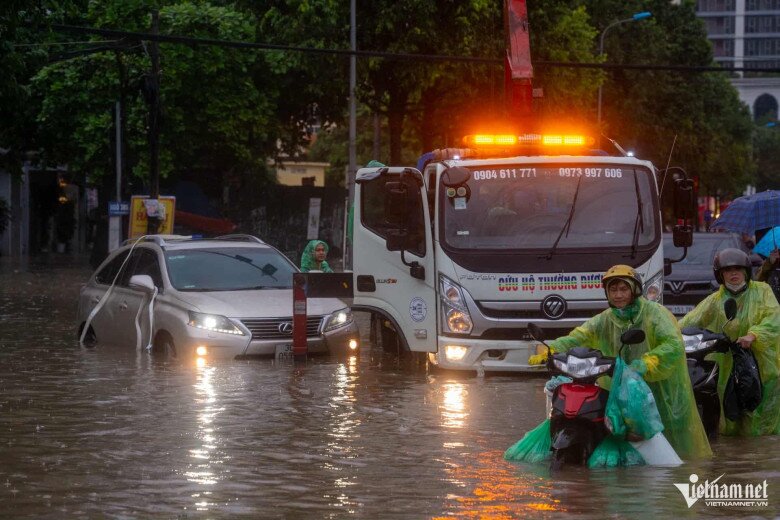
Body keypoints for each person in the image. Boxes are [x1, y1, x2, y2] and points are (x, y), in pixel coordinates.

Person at [529, 264, 712, 459]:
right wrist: (552, 350)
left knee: (668, 439)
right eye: (613, 290)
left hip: (659, 386)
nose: (618, 295)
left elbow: (673, 344)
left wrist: (647, 363)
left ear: (634, 290)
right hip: (620, 385)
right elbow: (580, 336)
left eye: (623, 289)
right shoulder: (605, 319)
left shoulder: (656, 314)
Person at [680, 248, 780, 436]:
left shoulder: (763, 291)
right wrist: (670, 332)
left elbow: (774, 318)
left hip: (762, 364)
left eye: (738, 269)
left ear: (746, 271)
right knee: (729, 417)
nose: (734, 274)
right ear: (720, 274)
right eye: (728, 270)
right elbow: (691, 320)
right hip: (728, 363)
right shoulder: (715, 300)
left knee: (761, 418)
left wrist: (753, 335)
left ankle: (760, 451)